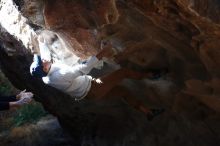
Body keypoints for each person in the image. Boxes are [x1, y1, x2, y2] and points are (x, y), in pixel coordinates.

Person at [30, 34, 164, 121]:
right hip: (93, 88)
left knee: (123, 92)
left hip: (89, 94)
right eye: (42, 62)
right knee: (123, 73)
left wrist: (41, 41)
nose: (44, 60)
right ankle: (151, 75)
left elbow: (45, 57)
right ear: (45, 68)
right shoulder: (59, 75)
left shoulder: (45, 76)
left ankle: (147, 112)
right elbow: (82, 69)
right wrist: (102, 53)